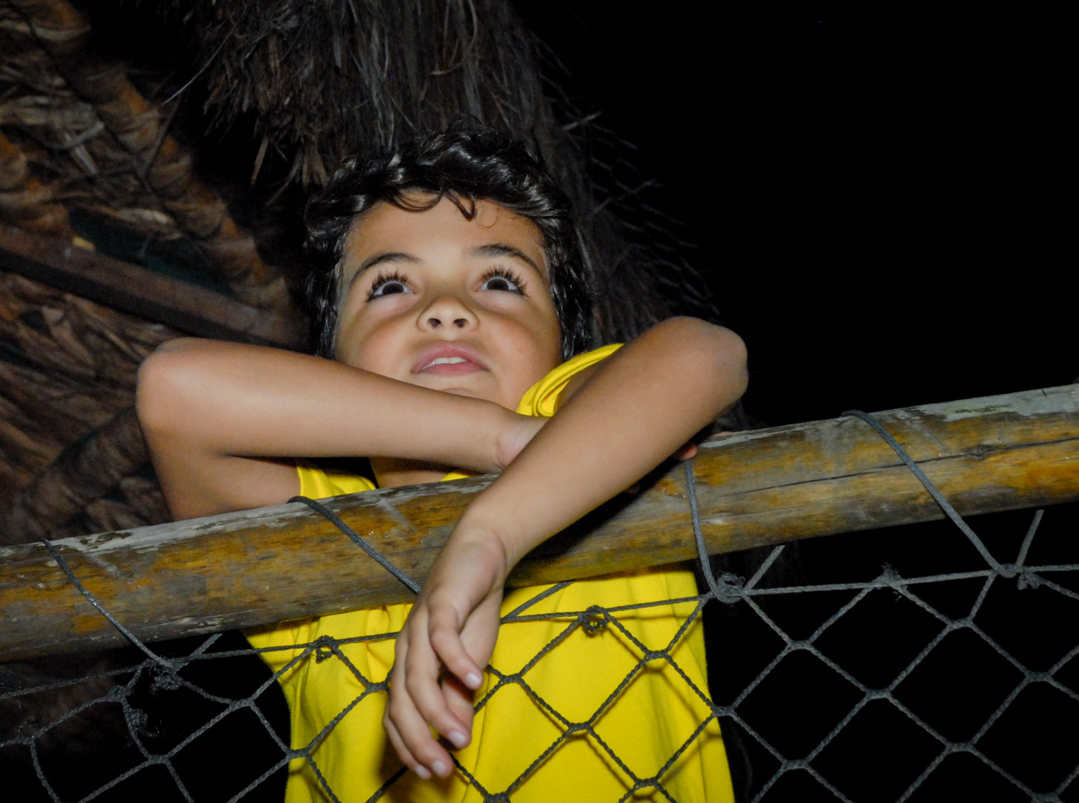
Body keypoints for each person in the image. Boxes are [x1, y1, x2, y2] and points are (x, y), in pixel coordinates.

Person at [136, 124, 748, 802]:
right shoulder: (321, 524)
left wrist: (492, 535)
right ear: (337, 370)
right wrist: (503, 440)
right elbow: (175, 389)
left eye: (498, 280)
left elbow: (705, 351)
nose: (448, 310)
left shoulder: (583, 418)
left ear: (561, 346)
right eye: (391, 285)